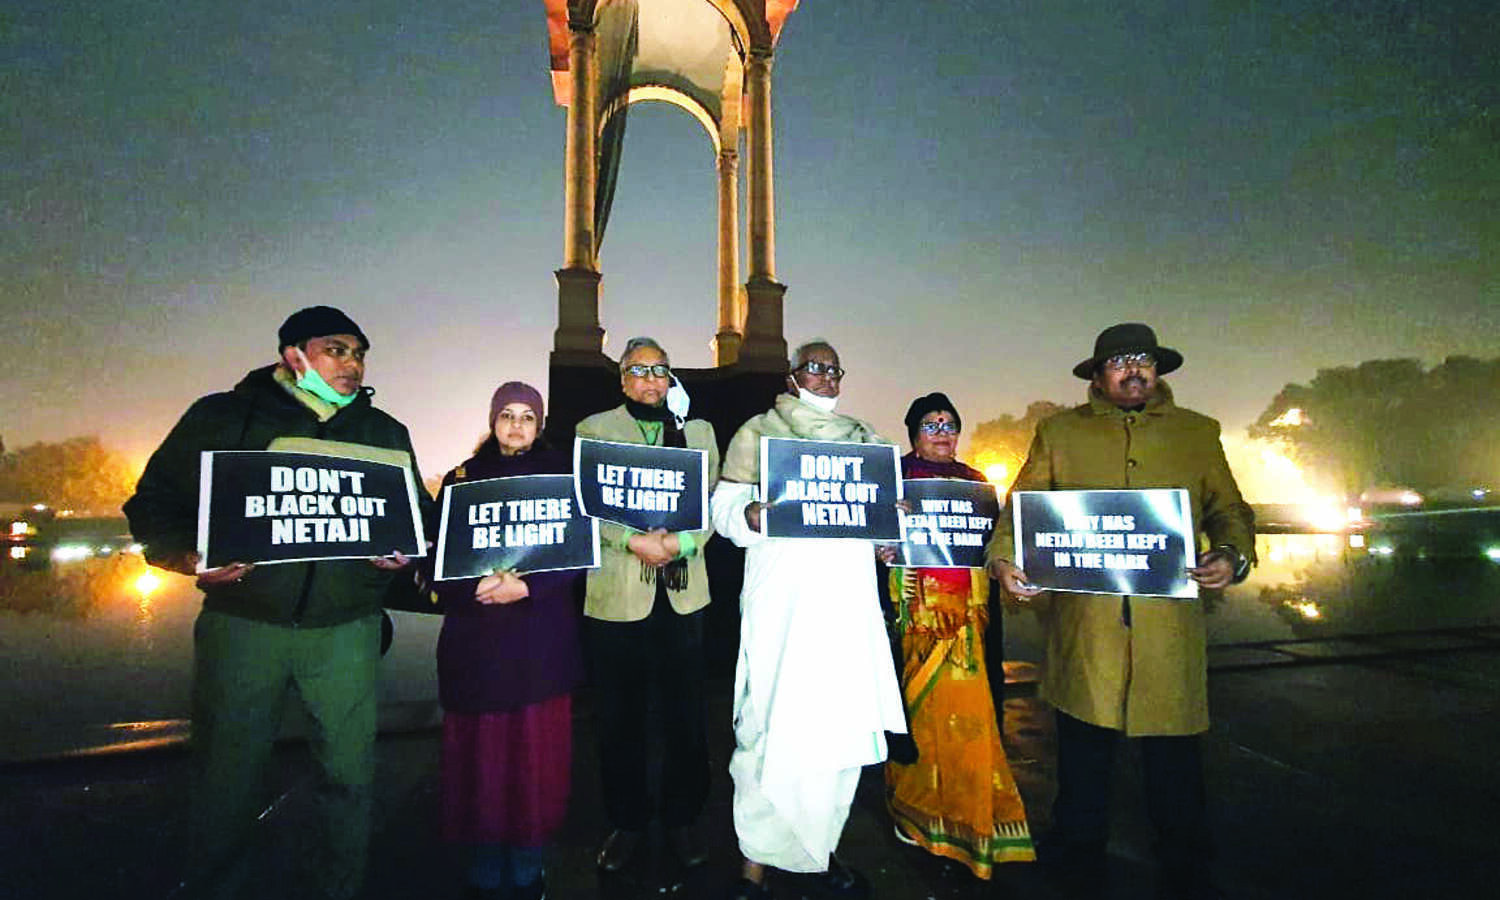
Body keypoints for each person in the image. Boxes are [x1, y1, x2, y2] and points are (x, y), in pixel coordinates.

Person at [123, 306, 432, 900]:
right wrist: (188, 558)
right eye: (335, 350)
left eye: (359, 352)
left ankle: (338, 888)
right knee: (226, 780)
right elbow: (151, 505)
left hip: (346, 631)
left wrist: (406, 554)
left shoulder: (384, 432)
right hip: (245, 626)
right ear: (293, 356)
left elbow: (417, 517)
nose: (352, 363)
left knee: (348, 777)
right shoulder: (221, 418)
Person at [985, 323, 1255, 900]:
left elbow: (1230, 509)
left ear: (1158, 370)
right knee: (1083, 761)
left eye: (1144, 360)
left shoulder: (1198, 433)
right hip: (1088, 628)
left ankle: (1186, 867)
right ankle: (1076, 857)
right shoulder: (1058, 433)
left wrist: (1232, 555)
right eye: (1120, 362)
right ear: (1098, 376)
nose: (1134, 370)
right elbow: (1020, 512)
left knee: (1175, 766)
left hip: (1168, 630)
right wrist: (1005, 561)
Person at [711, 339, 909, 900]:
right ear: (792, 374)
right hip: (783, 607)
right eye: (813, 367)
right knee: (769, 730)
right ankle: (754, 865)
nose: (824, 376)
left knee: (837, 736)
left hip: (846, 609)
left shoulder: (867, 440)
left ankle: (818, 855)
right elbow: (723, 511)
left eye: (832, 369)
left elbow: (875, 524)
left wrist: (888, 531)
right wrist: (748, 513)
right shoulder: (757, 432)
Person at [429, 382, 583, 900]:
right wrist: (467, 583)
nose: (516, 425)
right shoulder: (460, 481)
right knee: (481, 766)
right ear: (492, 421)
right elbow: (439, 560)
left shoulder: (563, 476)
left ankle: (528, 866)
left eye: (527, 417)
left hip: (539, 649)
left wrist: (528, 586)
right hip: (477, 649)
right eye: (507, 416)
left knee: (533, 764)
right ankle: (483, 866)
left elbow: (575, 556)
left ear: (540, 425)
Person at [575, 337, 720, 872]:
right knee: (620, 720)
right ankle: (627, 821)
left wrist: (679, 543)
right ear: (622, 378)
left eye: (661, 369)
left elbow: (709, 501)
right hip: (618, 596)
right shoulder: (593, 430)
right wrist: (630, 542)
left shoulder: (698, 432)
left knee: (687, 717)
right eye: (639, 369)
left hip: (684, 596)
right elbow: (586, 506)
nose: (651, 379)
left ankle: (683, 819)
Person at [885, 392, 1036, 878]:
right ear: (913, 433)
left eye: (950, 424)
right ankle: (917, 815)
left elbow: (995, 547)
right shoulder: (894, 480)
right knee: (919, 722)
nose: (942, 432)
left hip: (969, 625)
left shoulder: (975, 485)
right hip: (916, 621)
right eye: (931, 424)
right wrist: (888, 539)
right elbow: (873, 541)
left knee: (974, 720)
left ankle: (976, 819)